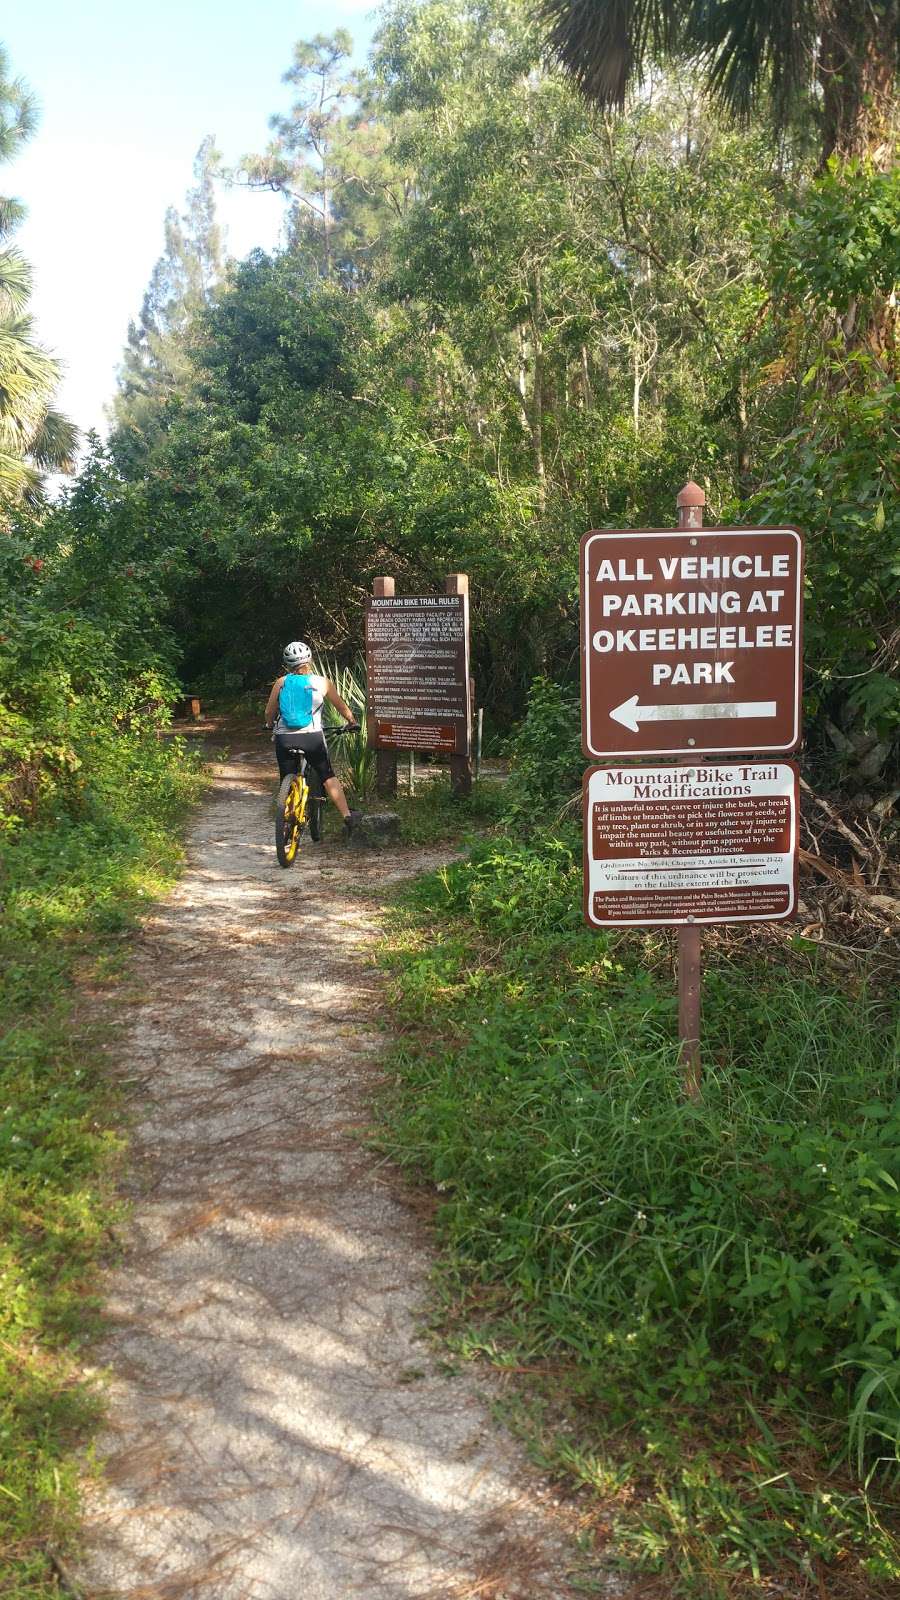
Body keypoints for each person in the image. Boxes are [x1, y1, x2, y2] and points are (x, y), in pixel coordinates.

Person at [265, 641, 363, 832]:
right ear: (309, 660)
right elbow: (342, 707)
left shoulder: (281, 682)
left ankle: (287, 820)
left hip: (284, 739)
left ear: (287, 664)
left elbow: (269, 711)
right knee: (327, 776)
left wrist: (270, 725)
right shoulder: (322, 682)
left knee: (286, 777)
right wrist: (352, 722)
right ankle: (347, 816)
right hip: (312, 738)